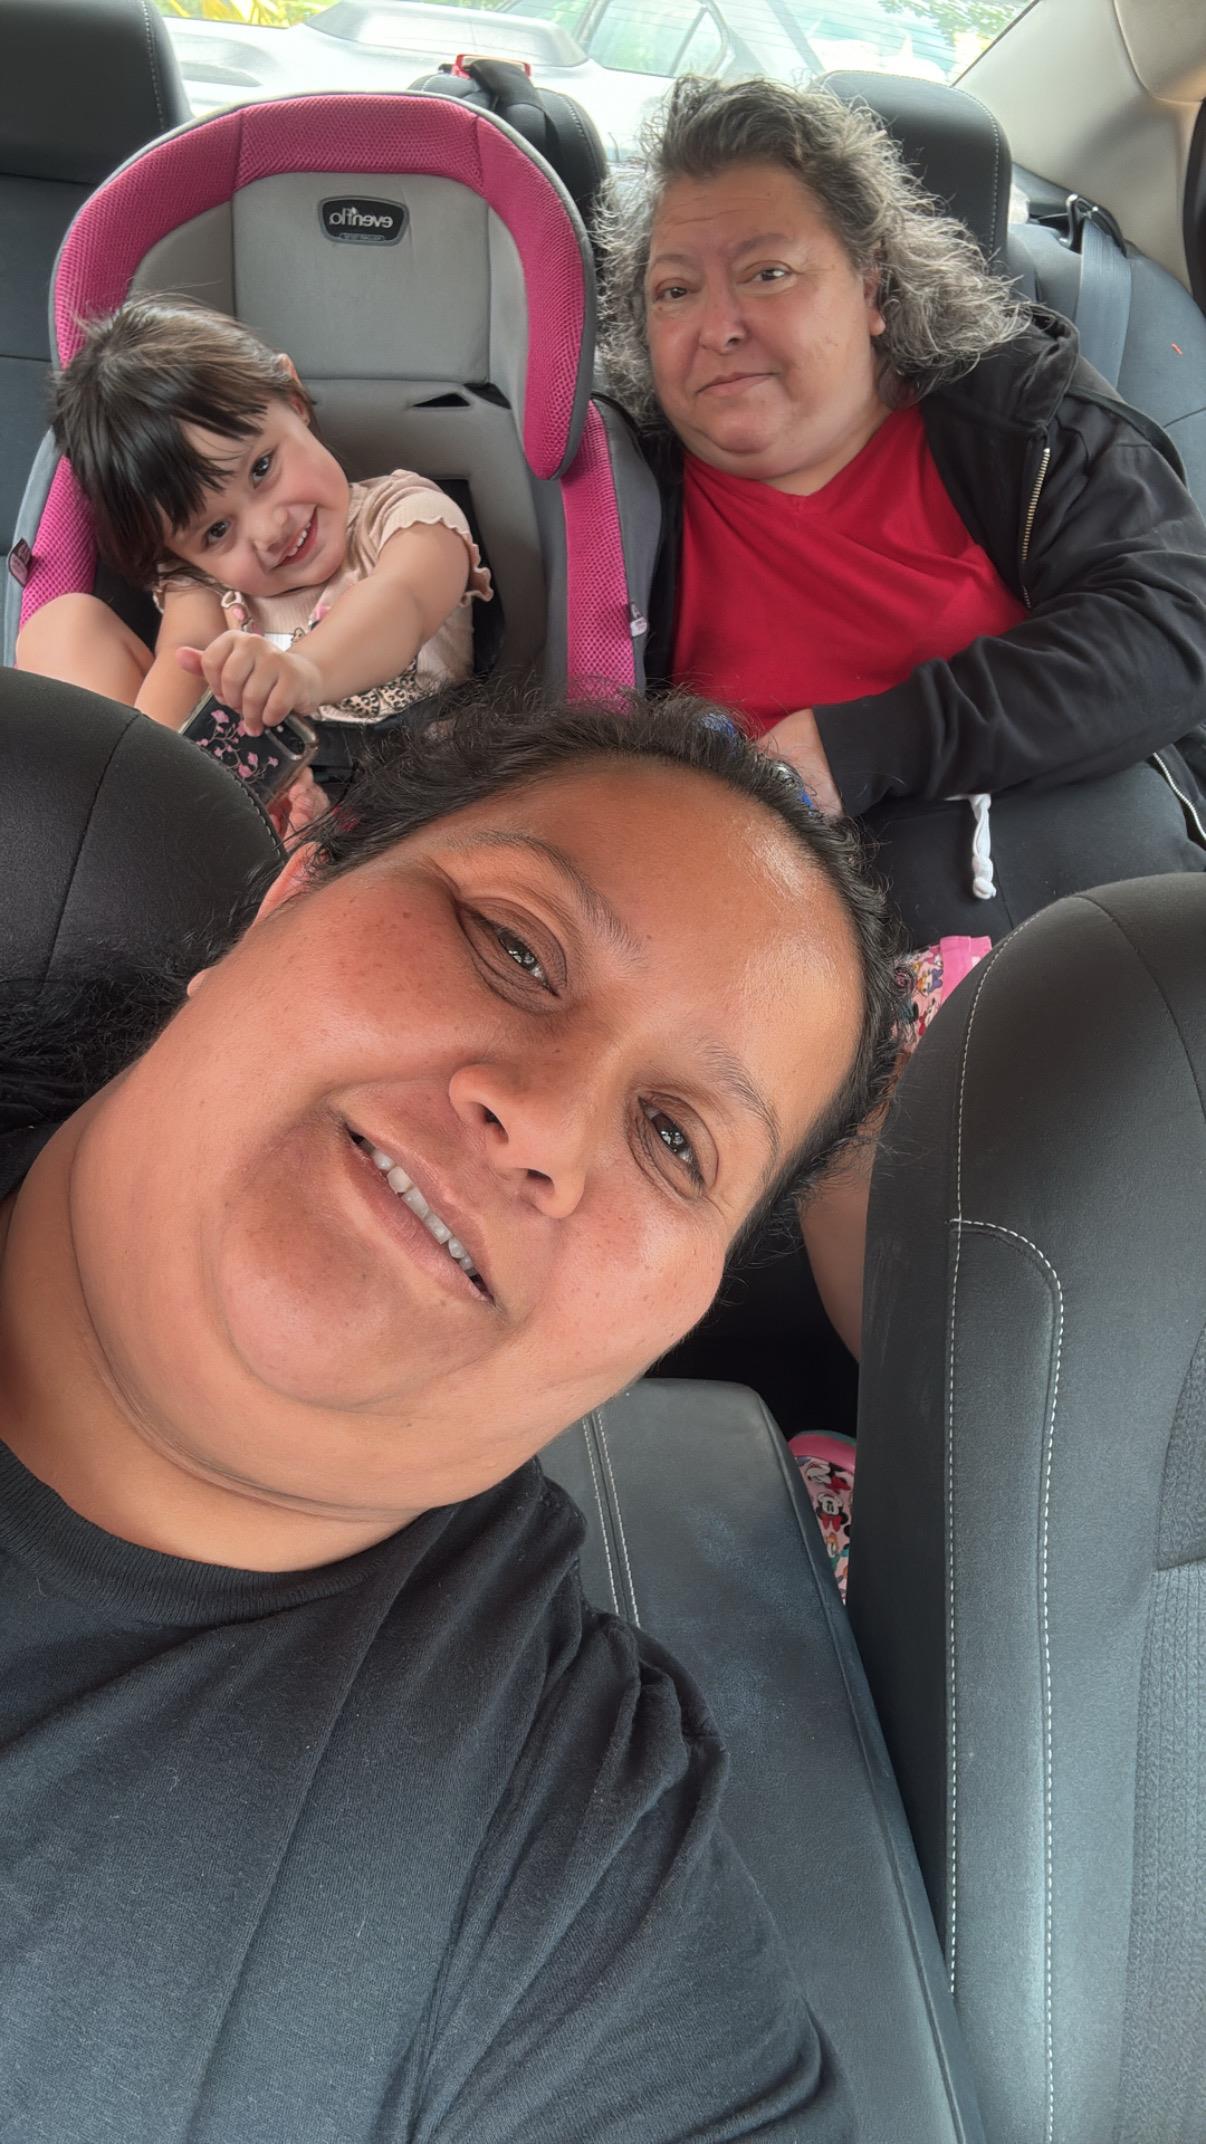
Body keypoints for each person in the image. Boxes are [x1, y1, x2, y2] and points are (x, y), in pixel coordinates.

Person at [0, 682, 902, 2142]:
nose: (542, 1122)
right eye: (514, 945)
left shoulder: (559, 1867)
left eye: (675, 1140)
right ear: (287, 896)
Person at [599, 73, 1206, 1363]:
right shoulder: (616, 504)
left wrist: (854, 744)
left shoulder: (1022, 422)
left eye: (767, 272)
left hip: (1087, 936)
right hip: (814, 997)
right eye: (673, 289)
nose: (717, 326)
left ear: (874, 286)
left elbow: (1167, 633)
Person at [15, 298, 491, 830]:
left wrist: (306, 672)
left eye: (262, 468)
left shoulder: (406, 514)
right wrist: (176, 775)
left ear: (292, 396)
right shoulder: (204, 579)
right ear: (180, 550)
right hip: (266, 786)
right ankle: (141, 820)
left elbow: (403, 602)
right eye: (216, 531)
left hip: (418, 782)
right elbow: (182, 657)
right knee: (63, 626)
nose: (269, 530)